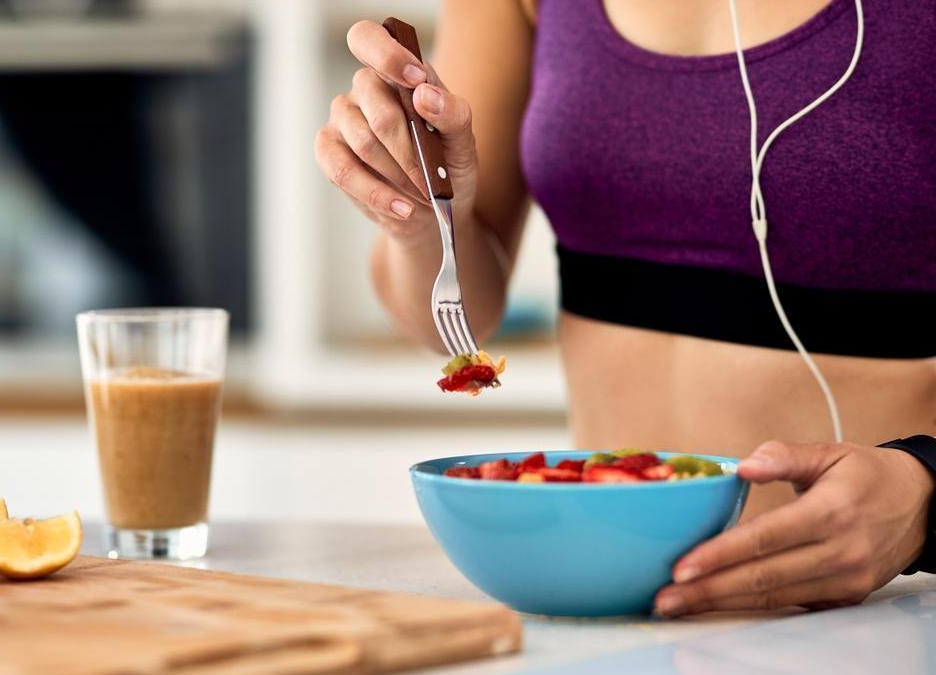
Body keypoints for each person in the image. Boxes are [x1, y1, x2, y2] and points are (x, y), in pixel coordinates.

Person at [315, 0, 936, 617]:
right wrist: (420, 223)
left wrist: (925, 494)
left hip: (888, 607)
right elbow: (450, 324)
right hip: (609, 602)